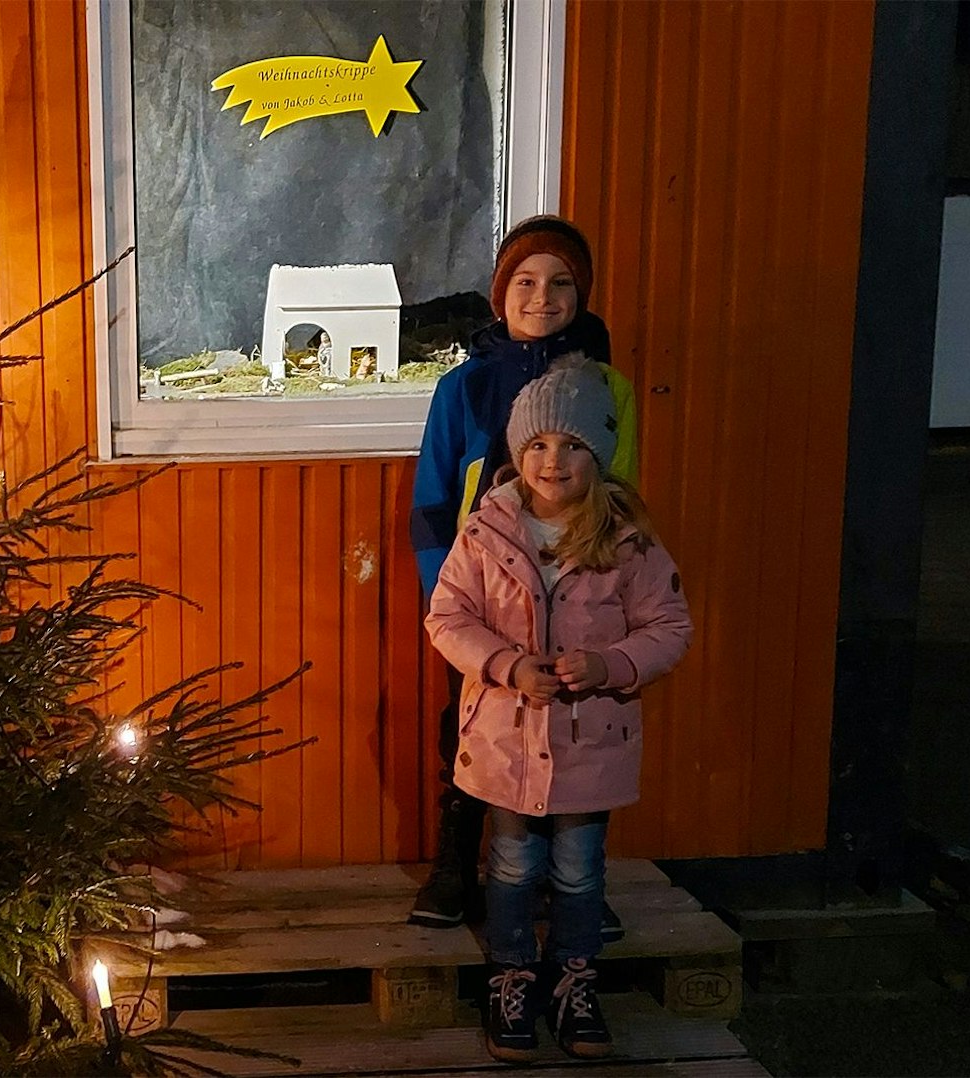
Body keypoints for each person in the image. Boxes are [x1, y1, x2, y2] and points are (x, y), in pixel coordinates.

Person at [424, 360, 691, 1062]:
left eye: (572, 445)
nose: (553, 460)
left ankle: (575, 982)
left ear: (598, 455)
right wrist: (507, 664)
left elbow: (669, 628)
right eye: (538, 444)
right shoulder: (485, 531)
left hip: (590, 743)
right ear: (517, 450)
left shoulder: (628, 539)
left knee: (578, 869)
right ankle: (511, 978)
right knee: (510, 866)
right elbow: (448, 616)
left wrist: (608, 666)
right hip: (504, 742)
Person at [406, 215, 640, 931]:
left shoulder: (610, 387)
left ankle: (574, 882)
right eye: (526, 282)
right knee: (477, 726)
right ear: (501, 293)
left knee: (576, 727)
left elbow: (622, 496)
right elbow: (433, 504)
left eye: (561, 283)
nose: (543, 297)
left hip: (581, 599)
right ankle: (457, 864)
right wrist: (446, 599)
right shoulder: (464, 388)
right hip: (485, 601)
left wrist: (604, 590)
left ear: (583, 293)